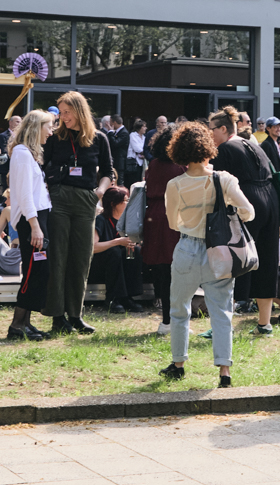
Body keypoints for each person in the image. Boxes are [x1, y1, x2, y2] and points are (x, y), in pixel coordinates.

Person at [161, 121, 255, 387]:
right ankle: (224, 372)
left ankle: (178, 364)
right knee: (222, 312)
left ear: (178, 151)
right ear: (207, 147)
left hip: (188, 247)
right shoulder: (224, 179)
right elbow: (249, 212)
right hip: (221, 251)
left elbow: (171, 222)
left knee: (179, 309)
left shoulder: (175, 184)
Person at [43, 91, 113, 336]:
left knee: (82, 259)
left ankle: (75, 315)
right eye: (60, 112)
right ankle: (57, 316)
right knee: (59, 257)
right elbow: (43, 167)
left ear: (79, 111)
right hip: (60, 199)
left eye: (66, 112)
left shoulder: (99, 138)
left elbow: (107, 170)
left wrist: (99, 193)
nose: (62, 117)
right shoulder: (55, 138)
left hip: (86, 199)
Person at [210, 105, 280, 334]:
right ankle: (265, 323)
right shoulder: (253, 143)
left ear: (223, 128)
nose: (209, 134)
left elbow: (218, 186)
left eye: (212, 129)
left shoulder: (225, 148)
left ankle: (223, 324)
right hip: (271, 201)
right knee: (267, 260)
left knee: (232, 259)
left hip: (248, 201)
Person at [8, 110, 54, 340]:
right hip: (31, 221)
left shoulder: (27, 153)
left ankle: (25, 322)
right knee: (33, 272)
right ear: (37, 127)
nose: (51, 131)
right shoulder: (22, 154)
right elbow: (25, 195)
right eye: (49, 126)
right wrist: (35, 226)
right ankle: (17, 325)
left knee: (37, 271)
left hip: (37, 219)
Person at [143, 124, 184, 335]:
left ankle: (166, 319)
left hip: (154, 216)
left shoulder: (154, 164)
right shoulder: (181, 166)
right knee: (177, 269)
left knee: (161, 269)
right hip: (174, 216)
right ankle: (174, 320)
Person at [87, 185, 143, 313]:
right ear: (113, 204)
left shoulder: (127, 220)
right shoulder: (101, 220)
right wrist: (117, 242)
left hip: (120, 262)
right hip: (101, 264)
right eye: (124, 201)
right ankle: (112, 299)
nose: (127, 203)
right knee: (114, 252)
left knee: (134, 252)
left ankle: (128, 296)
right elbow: (93, 247)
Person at [0, 200, 22, 276]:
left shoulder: (8, 210)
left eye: (7, 198)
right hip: (35, 258)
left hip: (15, 262)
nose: (5, 202)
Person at [0, 114, 21, 196]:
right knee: (7, 191)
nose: (19, 124)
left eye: (20, 122)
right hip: (7, 168)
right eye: (17, 122)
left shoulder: (22, 137)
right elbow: (3, 151)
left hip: (18, 168)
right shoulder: (3, 136)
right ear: (10, 123)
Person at [125, 118, 146, 188]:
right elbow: (137, 149)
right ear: (139, 127)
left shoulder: (144, 137)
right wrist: (145, 153)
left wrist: (144, 154)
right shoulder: (133, 135)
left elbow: (145, 148)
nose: (146, 128)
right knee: (132, 181)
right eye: (144, 126)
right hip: (133, 162)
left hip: (140, 163)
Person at [109, 115, 130, 185]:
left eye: (110, 122)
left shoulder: (124, 132)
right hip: (115, 160)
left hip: (120, 161)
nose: (110, 125)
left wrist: (111, 133)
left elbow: (115, 143)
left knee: (119, 180)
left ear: (114, 122)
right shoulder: (117, 132)